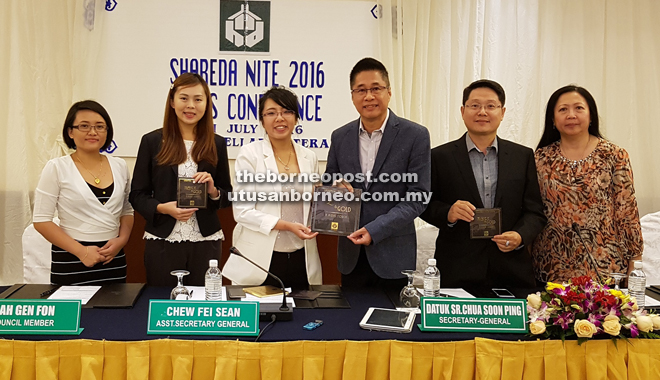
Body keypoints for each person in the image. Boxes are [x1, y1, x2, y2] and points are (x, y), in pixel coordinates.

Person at [421, 80, 546, 288]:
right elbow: (424, 204)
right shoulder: (439, 156)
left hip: (511, 270)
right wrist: (449, 213)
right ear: (463, 111)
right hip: (457, 269)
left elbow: (535, 211)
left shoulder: (522, 156)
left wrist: (520, 236)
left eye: (490, 106)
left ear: (502, 112)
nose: (482, 112)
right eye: (474, 105)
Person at [324, 57, 431, 290]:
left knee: (395, 323)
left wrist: (375, 229)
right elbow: (330, 181)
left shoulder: (415, 135)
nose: (369, 96)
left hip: (394, 256)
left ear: (389, 92)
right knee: (348, 325)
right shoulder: (339, 136)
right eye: (361, 90)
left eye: (375, 88)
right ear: (352, 96)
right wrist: (335, 188)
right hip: (351, 254)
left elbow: (418, 197)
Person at [531, 85, 643, 283]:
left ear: (591, 116)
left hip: (604, 263)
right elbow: (532, 210)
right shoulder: (540, 158)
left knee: (603, 315)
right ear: (553, 119)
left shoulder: (614, 155)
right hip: (552, 263)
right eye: (563, 109)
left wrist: (635, 259)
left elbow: (627, 211)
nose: (571, 115)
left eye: (579, 108)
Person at [130, 73, 232, 287]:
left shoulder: (217, 143)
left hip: (206, 241)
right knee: (163, 303)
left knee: (203, 307)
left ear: (207, 103)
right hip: (163, 239)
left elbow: (227, 195)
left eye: (198, 99)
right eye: (184, 98)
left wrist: (213, 191)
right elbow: (137, 195)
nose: (191, 105)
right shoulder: (152, 141)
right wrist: (162, 208)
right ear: (172, 101)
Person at [222, 87, 322, 289]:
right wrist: (286, 225)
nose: (280, 118)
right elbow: (242, 212)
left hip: (302, 257)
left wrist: (335, 193)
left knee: (303, 317)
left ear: (296, 118)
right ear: (262, 120)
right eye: (271, 113)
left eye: (287, 111)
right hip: (260, 261)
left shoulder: (309, 156)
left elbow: (316, 201)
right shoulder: (249, 154)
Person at [33, 100, 134, 285]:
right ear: (70, 132)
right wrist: (82, 252)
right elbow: (41, 220)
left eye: (99, 127)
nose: (93, 132)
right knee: (73, 313)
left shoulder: (119, 165)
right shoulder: (56, 167)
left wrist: (122, 240)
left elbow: (127, 210)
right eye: (84, 126)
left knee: (115, 312)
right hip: (72, 257)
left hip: (113, 259)